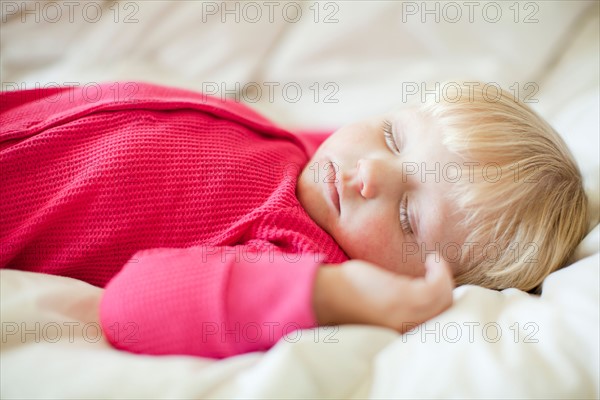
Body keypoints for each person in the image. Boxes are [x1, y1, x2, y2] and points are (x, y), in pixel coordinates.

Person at [0, 81, 588, 359]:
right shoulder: (319, 165)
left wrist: (329, 293)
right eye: (393, 134)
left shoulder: (292, 261)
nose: (372, 172)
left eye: (409, 216)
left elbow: (129, 307)